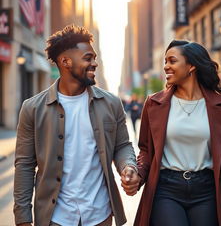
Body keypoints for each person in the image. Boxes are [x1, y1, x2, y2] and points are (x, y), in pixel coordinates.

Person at [13, 25, 140, 226]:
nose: (94, 64)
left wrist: (128, 166)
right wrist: (23, 219)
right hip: (56, 218)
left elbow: (122, 145)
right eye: (88, 58)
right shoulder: (32, 109)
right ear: (65, 62)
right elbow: (25, 166)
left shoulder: (111, 103)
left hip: (100, 214)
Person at [134, 40, 221, 226]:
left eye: (172, 61)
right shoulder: (154, 104)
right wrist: (138, 175)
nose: (166, 67)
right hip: (166, 189)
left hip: (206, 190)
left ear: (191, 66)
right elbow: (146, 150)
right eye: (165, 61)